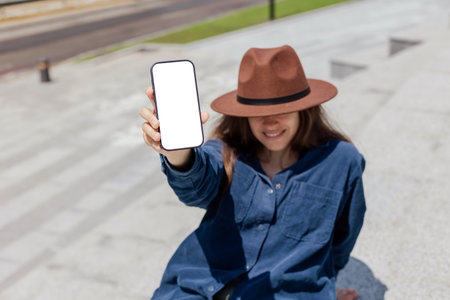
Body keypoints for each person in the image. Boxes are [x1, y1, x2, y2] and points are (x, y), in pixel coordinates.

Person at [140, 45, 365, 300]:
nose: (270, 123)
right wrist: (175, 151)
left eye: (282, 109)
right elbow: (195, 183)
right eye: (259, 112)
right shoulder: (226, 152)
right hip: (196, 286)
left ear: (304, 108)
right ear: (243, 114)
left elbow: (344, 234)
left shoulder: (340, 161)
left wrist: (320, 285)